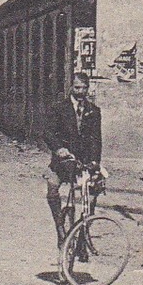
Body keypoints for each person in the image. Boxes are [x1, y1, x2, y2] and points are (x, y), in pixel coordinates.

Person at [45, 71, 104, 245]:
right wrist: (59, 149)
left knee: (92, 195)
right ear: (71, 87)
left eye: (84, 88)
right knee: (52, 187)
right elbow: (48, 132)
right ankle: (59, 226)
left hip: (83, 162)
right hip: (63, 161)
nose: (81, 92)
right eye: (77, 87)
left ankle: (83, 234)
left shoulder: (94, 111)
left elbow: (96, 139)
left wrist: (94, 162)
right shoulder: (59, 108)